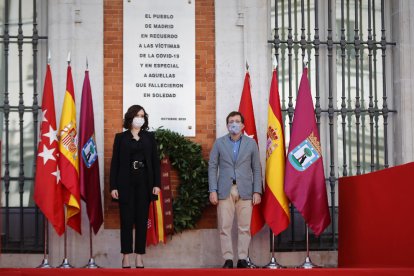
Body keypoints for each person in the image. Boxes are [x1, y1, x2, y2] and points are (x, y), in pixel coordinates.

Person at [208, 111, 262, 269]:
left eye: (237, 121)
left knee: (244, 227)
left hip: (245, 190)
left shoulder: (251, 144)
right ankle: (228, 259)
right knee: (225, 227)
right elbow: (212, 167)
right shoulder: (219, 143)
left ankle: (243, 258)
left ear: (243, 125)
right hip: (225, 190)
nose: (234, 124)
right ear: (227, 125)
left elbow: (256, 169)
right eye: (231, 121)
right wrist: (213, 190)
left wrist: (257, 191)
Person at [110, 105, 161, 268]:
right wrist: (113, 186)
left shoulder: (149, 137)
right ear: (130, 117)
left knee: (141, 220)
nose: (140, 118)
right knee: (126, 221)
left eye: (142, 115)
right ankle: (126, 256)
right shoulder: (120, 138)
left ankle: (139, 256)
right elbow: (114, 164)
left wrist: (156, 184)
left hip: (144, 184)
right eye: (137, 115)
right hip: (125, 183)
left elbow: (155, 162)